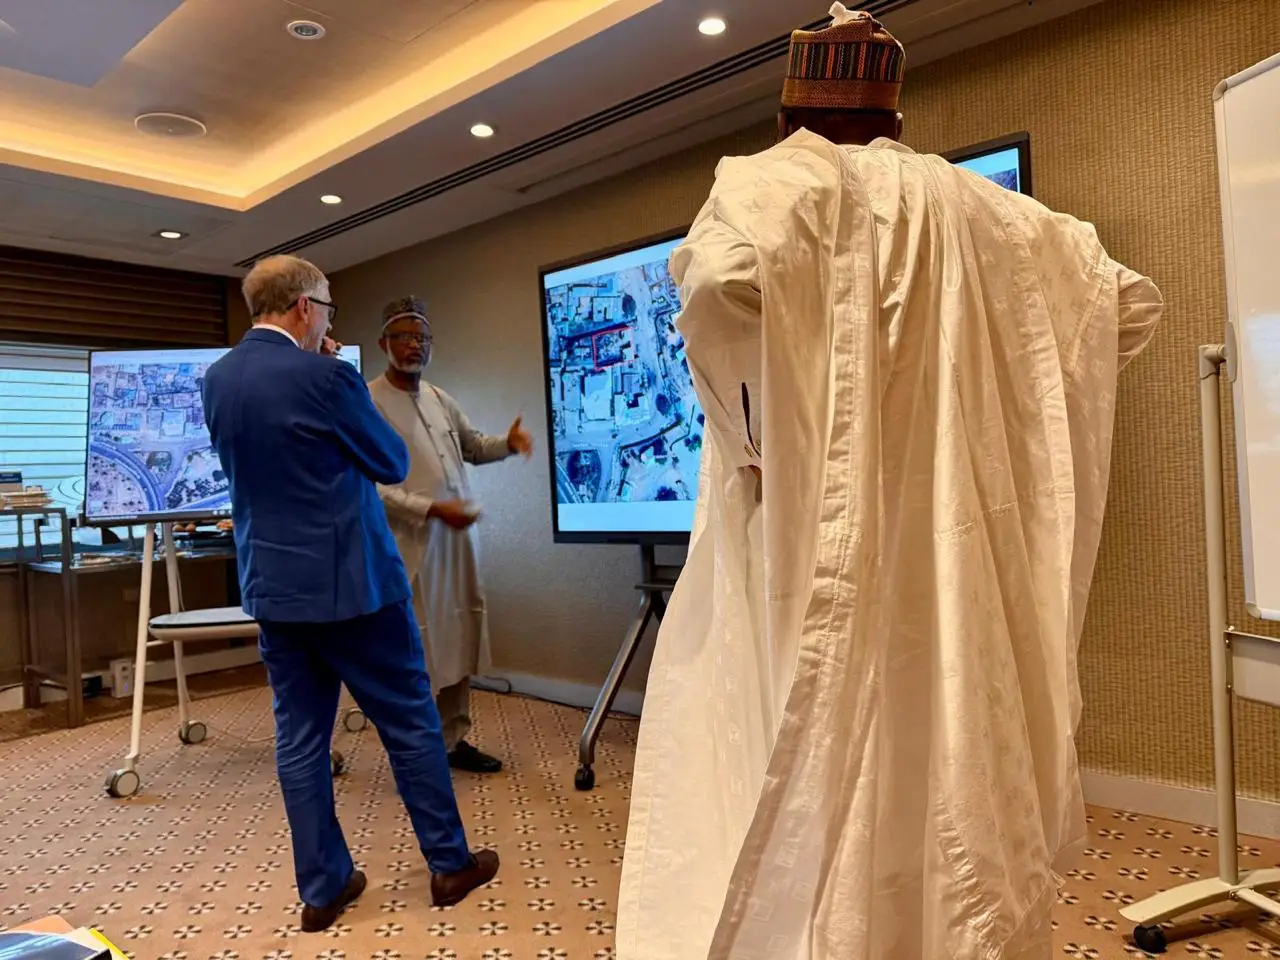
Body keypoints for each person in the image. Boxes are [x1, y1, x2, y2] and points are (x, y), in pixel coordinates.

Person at [616, 6, 1163, 960]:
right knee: (958, 775)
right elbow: (1125, 305)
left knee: (824, 779)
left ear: (788, 110)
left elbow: (713, 290)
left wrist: (757, 432)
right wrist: (993, 414)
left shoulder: (765, 192)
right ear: (897, 116)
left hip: (803, 554)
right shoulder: (998, 216)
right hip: (965, 565)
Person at [202, 256, 499, 933]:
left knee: (300, 741)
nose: (330, 320)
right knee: (410, 724)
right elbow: (391, 461)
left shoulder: (217, 380)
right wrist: (339, 376)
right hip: (356, 592)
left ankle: (324, 889)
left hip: (273, 592)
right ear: (304, 307)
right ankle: (450, 865)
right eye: (328, 307)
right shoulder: (329, 377)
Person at [367, 296, 533, 774]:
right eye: (403, 336)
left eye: (421, 338)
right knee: (417, 648)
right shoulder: (369, 401)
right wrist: (430, 509)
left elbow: (473, 446)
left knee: (459, 635)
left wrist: (508, 444)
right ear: (384, 343)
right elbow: (373, 486)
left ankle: (454, 740)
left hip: (457, 543)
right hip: (411, 546)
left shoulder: (440, 398)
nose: (414, 345)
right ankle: (417, 751)